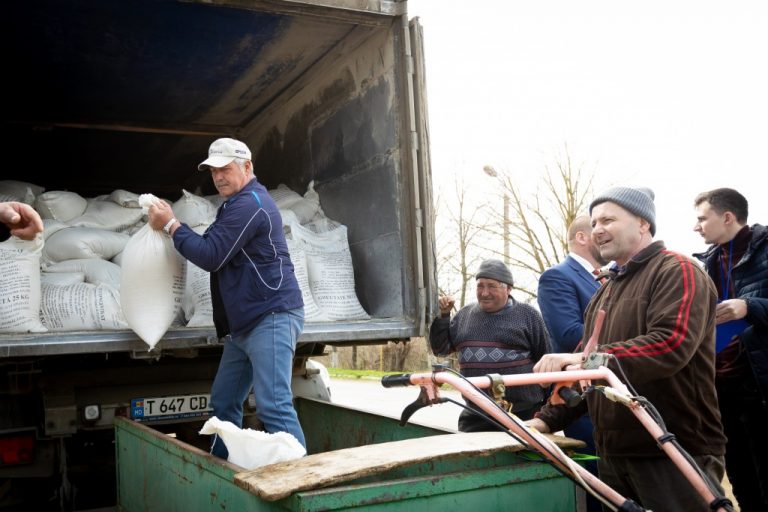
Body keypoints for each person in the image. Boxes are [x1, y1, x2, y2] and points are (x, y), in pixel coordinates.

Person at [527, 186, 727, 512]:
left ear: (643, 224)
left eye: (608, 219)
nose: (597, 230)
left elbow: (669, 345)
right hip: (615, 454)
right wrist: (545, 420)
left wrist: (584, 359)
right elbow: (584, 374)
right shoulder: (604, 293)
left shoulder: (678, 270)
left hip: (672, 448)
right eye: (593, 223)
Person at [148, 138, 306, 458]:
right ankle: (223, 470)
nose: (218, 176)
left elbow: (211, 255)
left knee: (273, 406)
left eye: (225, 168)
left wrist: (171, 224)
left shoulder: (252, 204)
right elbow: (214, 247)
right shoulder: (233, 205)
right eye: (213, 170)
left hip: (270, 316)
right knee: (224, 404)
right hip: (244, 324)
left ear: (247, 167)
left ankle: (303, 489)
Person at [693, 188, 768, 512]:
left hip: (760, 386)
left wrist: (750, 306)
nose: (696, 227)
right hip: (722, 390)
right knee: (741, 479)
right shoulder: (705, 264)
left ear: (727, 217)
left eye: (701, 218)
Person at [537, 214, 607, 512]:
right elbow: (569, 334)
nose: (605, 235)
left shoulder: (605, 277)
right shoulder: (558, 277)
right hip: (581, 399)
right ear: (582, 237)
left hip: (610, 392)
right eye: (598, 228)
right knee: (596, 485)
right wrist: (625, 339)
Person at [429, 259, 550, 431]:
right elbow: (440, 349)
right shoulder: (464, 315)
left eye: (492, 286)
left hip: (524, 414)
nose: (484, 293)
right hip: (476, 413)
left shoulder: (528, 315)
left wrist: (545, 409)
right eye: (480, 286)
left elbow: (545, 360)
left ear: (508, 289)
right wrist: (443, 316)